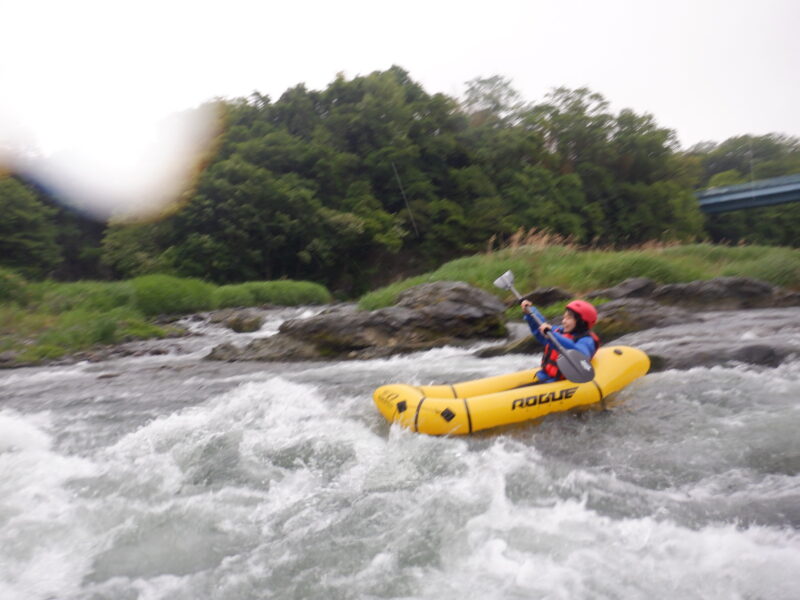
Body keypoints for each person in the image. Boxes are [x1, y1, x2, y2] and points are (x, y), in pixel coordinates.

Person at [519, 298, 600, 383]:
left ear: (581, 322)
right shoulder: (560, 332)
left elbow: (579, 353)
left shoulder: (587, 340)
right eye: (564, 317)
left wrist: (553, 335)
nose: (564, 321)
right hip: (545, 378)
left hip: (560, 384)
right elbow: (541, 327)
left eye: (568, 318)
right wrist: (530, 312)